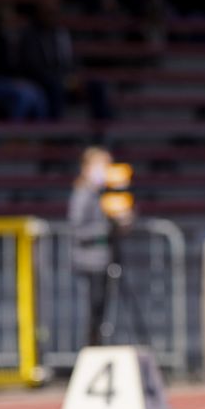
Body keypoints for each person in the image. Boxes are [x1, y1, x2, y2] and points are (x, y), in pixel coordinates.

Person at [68, 147, 119, 347]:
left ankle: (98, 348)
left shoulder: (104, 194)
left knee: (101, 311)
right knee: (92, 311)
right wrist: (105, 228)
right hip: (89, 263)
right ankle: (91, 350)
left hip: (104, 259)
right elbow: (77, 228)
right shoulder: (83, 194)